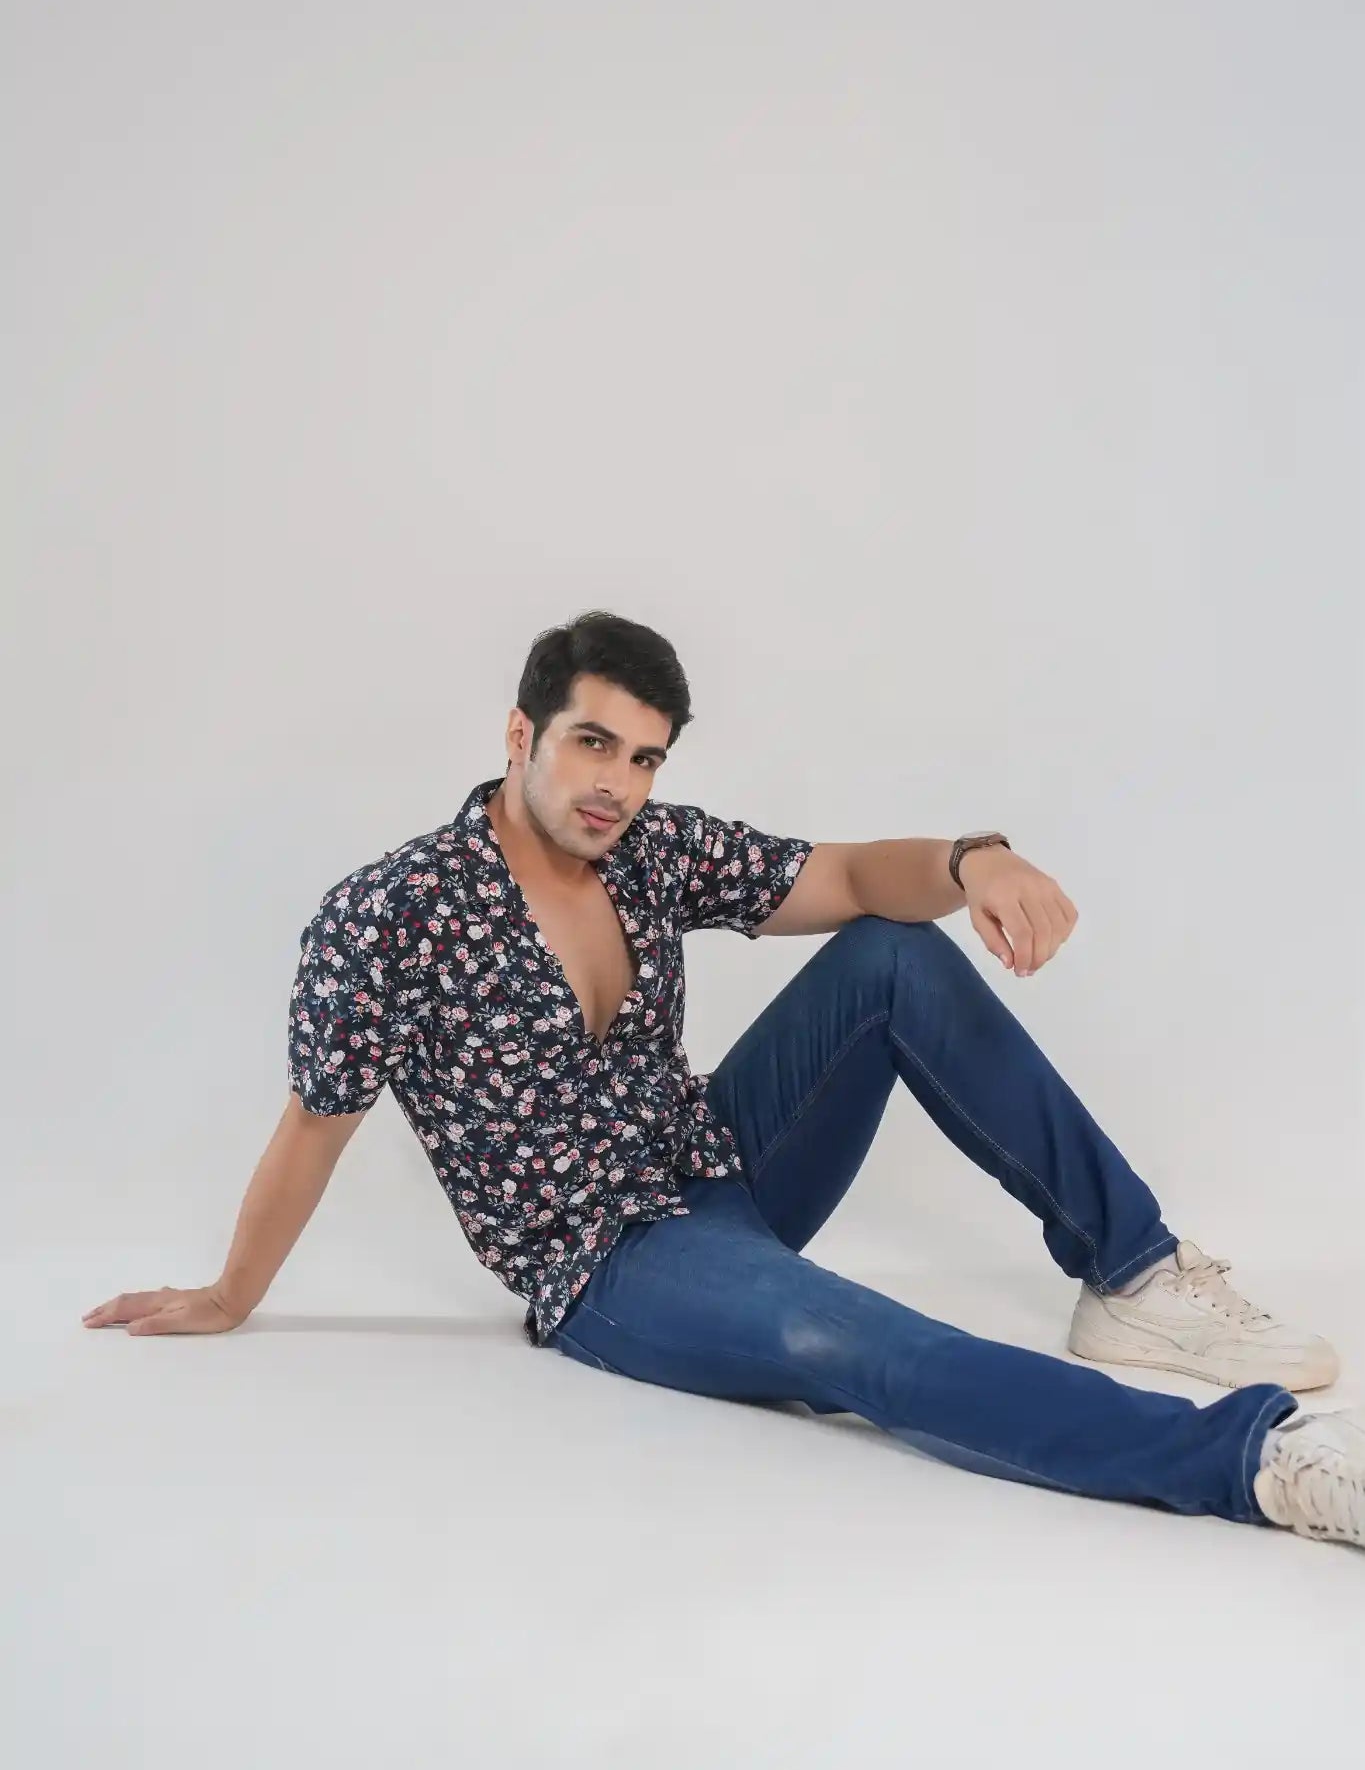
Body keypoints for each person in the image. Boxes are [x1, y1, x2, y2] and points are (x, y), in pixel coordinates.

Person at [82, 611, 1363, 1550]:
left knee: (892, 952)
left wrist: (976, 855)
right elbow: (317, 1121)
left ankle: (1131, 1269)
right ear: (521, 732)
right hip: (612, 1262)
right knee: (863, 1341)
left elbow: (859, 878)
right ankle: (1253, 1461)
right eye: (594, 745)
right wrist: (228, 1293)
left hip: (722, 1164)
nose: (617, 786)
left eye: (645, 759)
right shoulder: (390, 913)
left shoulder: (647, 851)